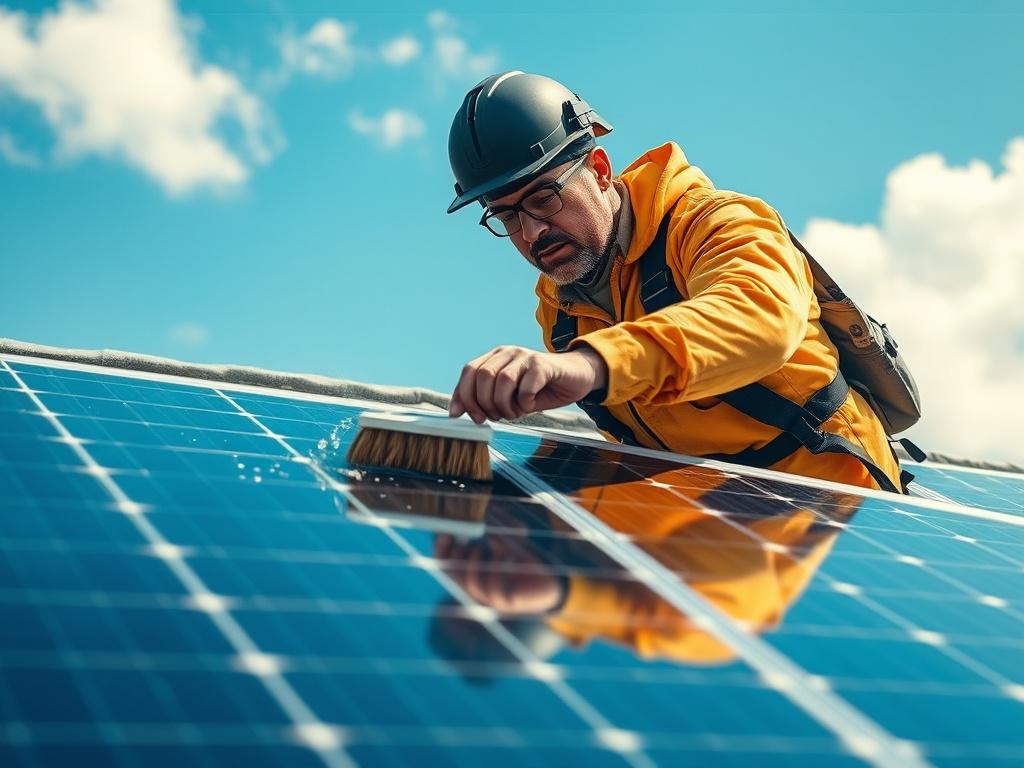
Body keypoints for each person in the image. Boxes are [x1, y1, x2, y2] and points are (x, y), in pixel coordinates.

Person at [444, 70, 904, 493]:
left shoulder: (716, 222)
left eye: (544, 198)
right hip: (713, 529)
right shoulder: (560, 311)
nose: (531, 232)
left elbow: (761, 318)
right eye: (505, 216)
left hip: (839, 509)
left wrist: (593, 365)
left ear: (601, 171)